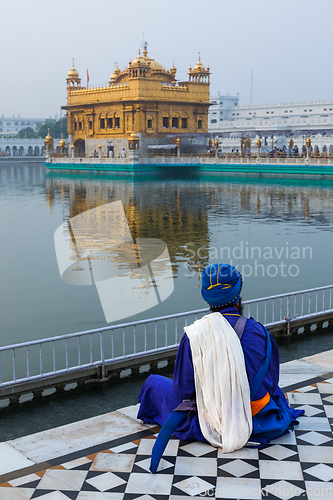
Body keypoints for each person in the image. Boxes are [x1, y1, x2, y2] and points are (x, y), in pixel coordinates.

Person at [138, 263, 303, 450]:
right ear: (238, 296)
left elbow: (184, 390)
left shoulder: (194, 335)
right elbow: (272, 383)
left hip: (216, 418)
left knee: (153, 384)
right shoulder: (260, 332)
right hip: (256, 414)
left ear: (205, 297)